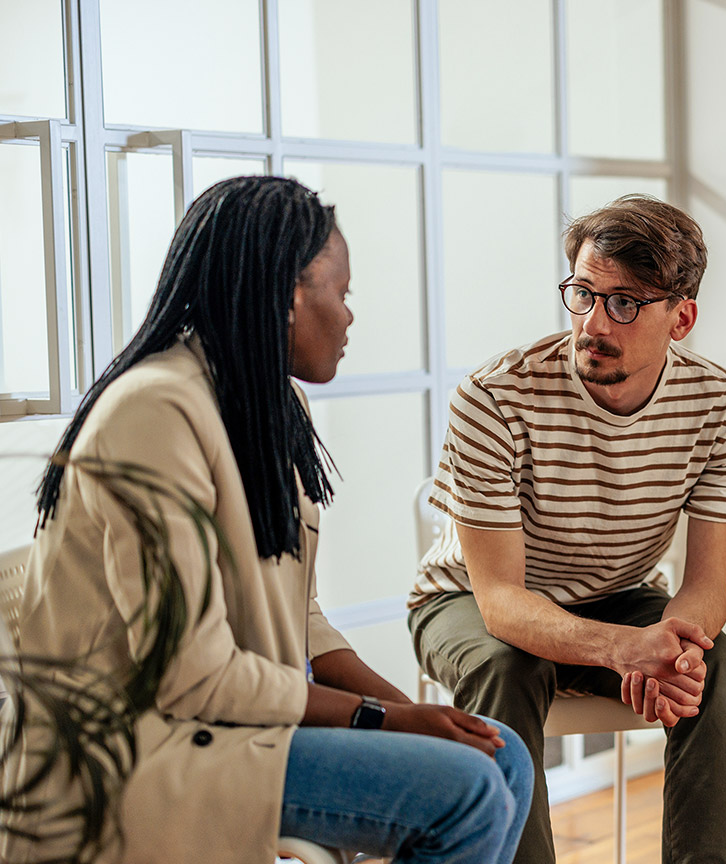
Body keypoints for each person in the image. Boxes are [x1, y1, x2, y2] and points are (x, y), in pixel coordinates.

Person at [3, 176, 534, 864]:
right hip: (135, 748)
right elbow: (192, 676)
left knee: (503, 754)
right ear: (289, 294)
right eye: (340, 294)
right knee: (466, 791)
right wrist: (389, 719)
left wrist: (419, 715)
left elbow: (302, 622)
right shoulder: (153, 412)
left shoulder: (269, 404)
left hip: (229, 725)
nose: (348, 317)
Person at [407, 194, 726, 864]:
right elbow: (502, 602)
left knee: (713, 667)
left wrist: (678, 650)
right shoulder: (495, 397)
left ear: (681, 317)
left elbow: (708, 582)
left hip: (620, 593)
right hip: (467, 601)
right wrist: (622, 650)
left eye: (624, 302)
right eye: (582, 294)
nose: (593, 322)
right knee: (505, 663)